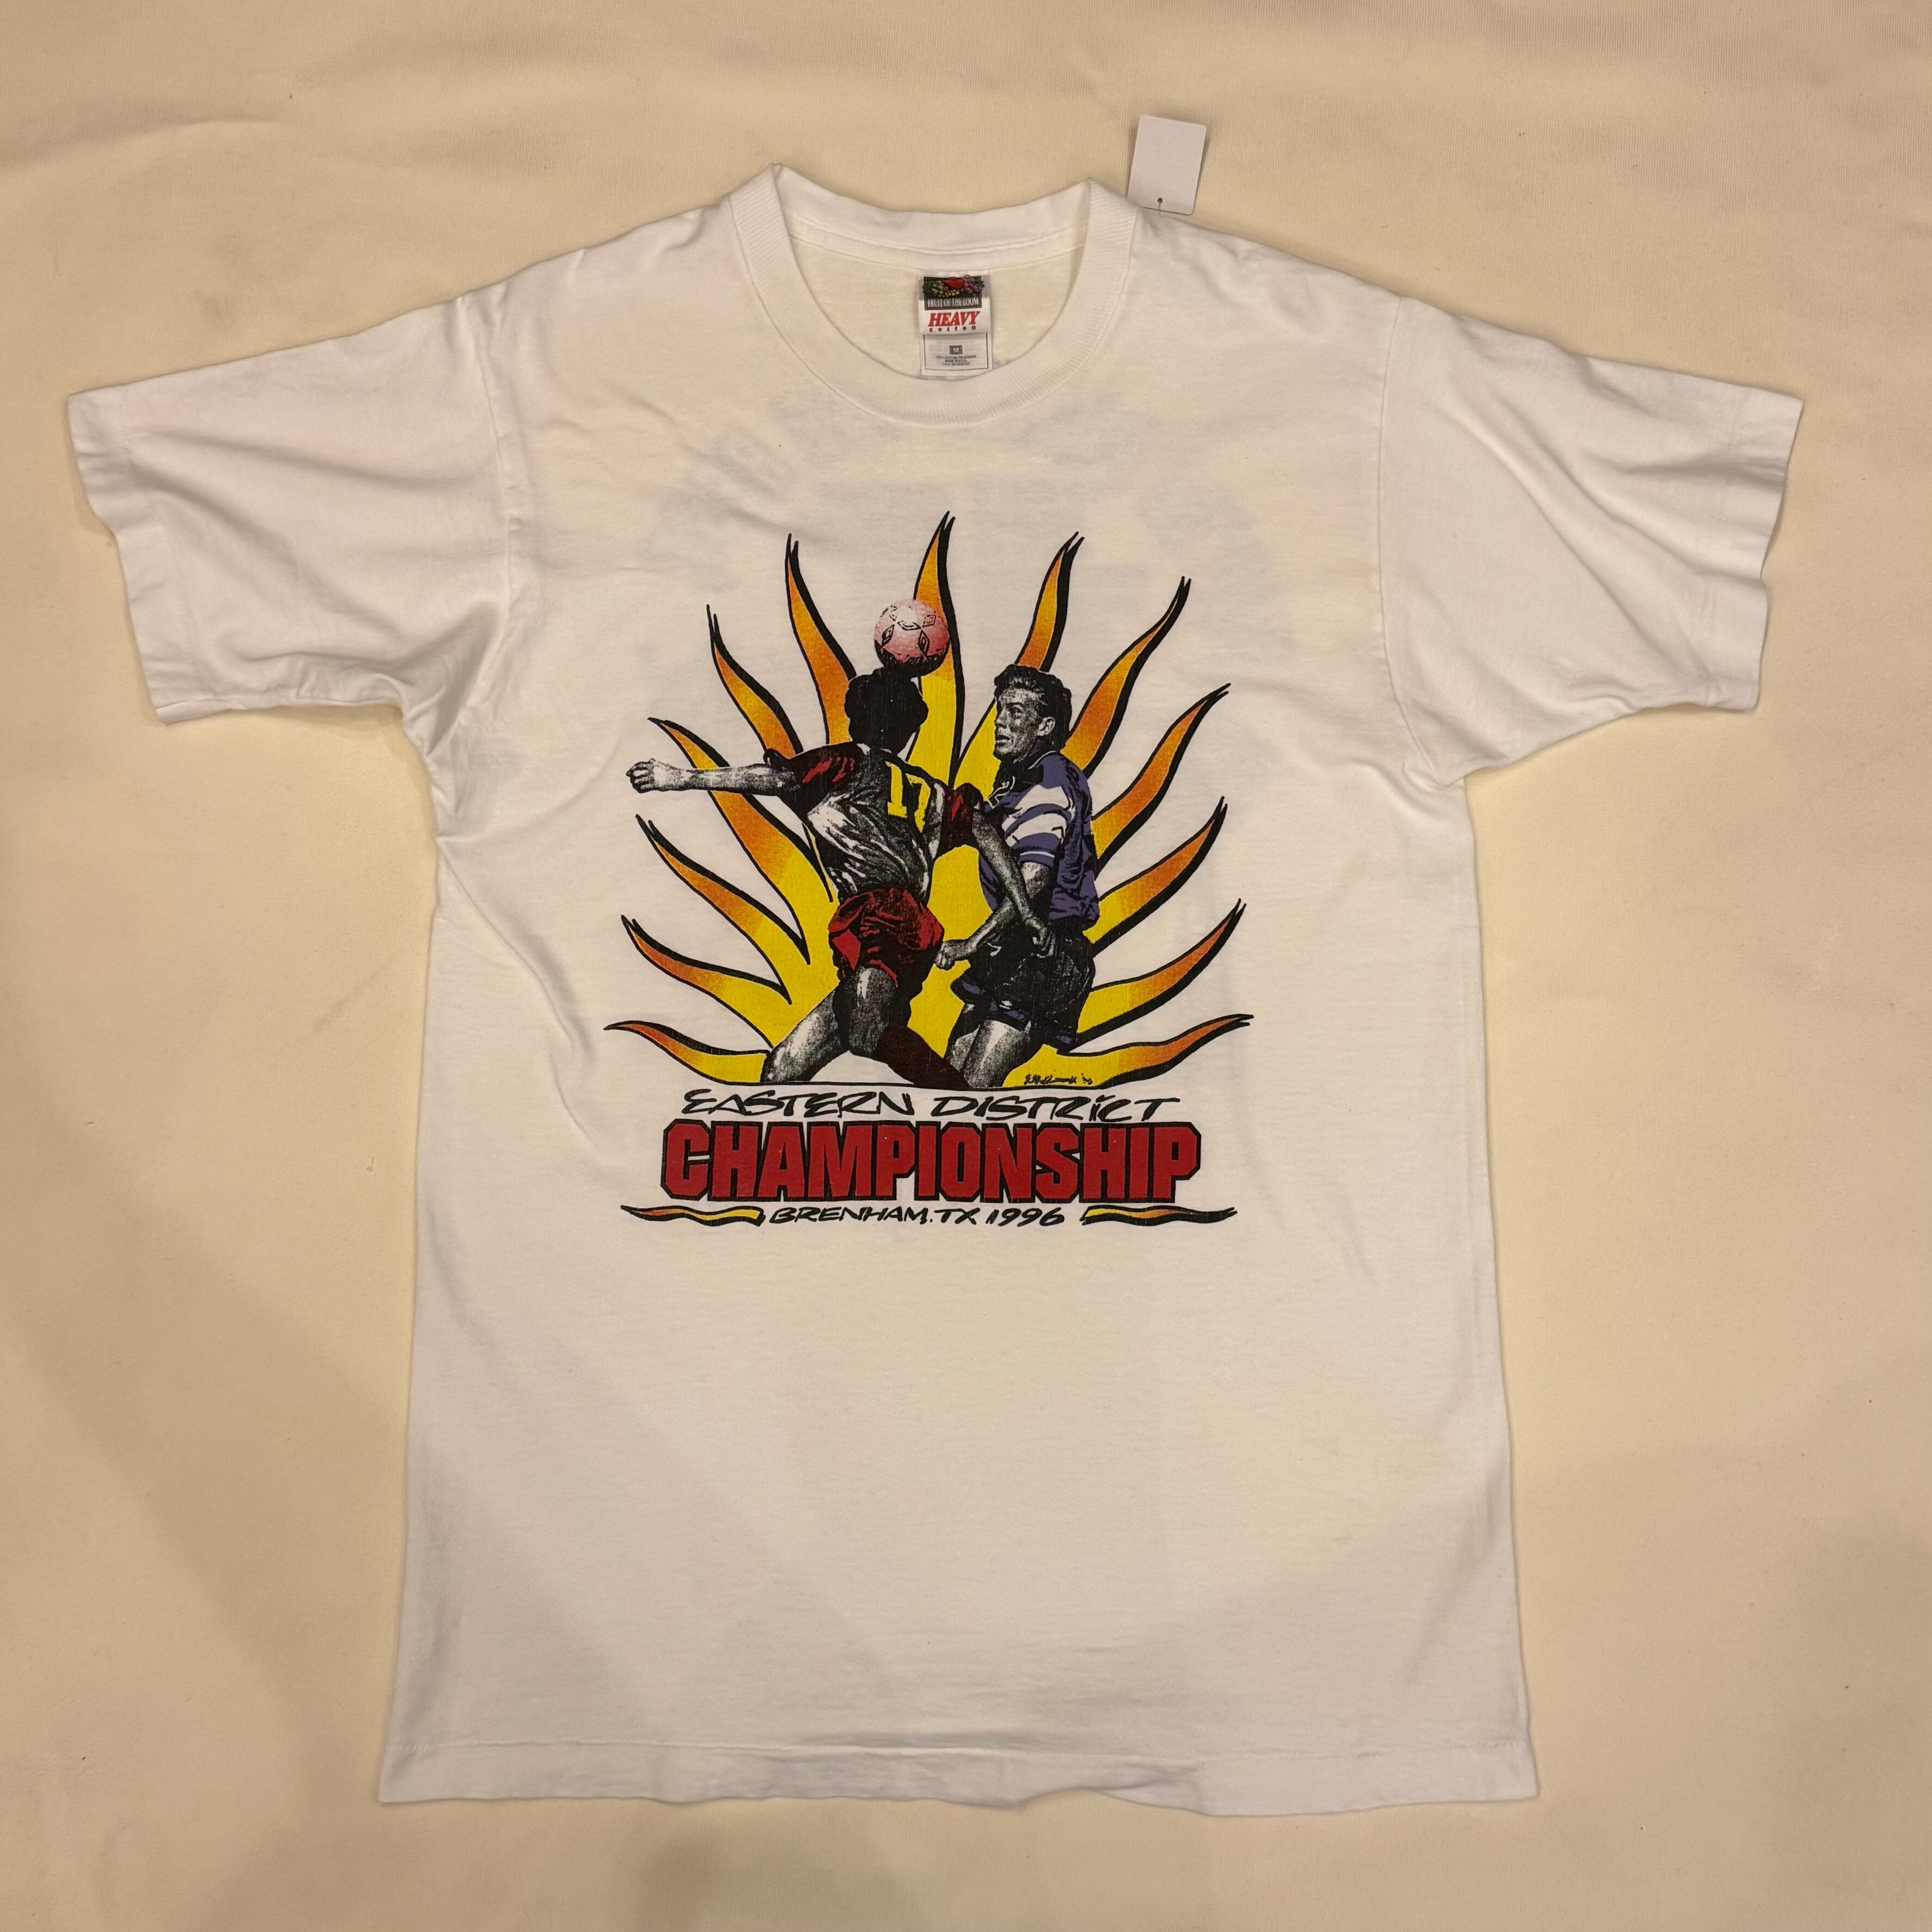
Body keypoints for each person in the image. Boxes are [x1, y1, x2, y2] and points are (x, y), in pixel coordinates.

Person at [628, 667, 1046, 1087]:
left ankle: (956, 1098)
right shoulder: (931, 790)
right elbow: (986, 833)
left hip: (886, 919)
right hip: (899, 925)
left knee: (867, 1028)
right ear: (907, 731)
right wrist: (1025, 910)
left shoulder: (846, 763)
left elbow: (773, 778)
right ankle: (946, 1091)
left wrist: (682, 778)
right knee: (783, 1069)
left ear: (856, 718)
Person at [937, 665, 1099, 1088]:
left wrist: (971, 943)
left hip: (1046, 957)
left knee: (970, 1096)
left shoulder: (1049, 780)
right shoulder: (1016, 777)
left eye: (1015, 712)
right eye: (1000, 710)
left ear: (1045, 726)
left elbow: (1034, 878)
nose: (1000, 722)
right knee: (947, 1086)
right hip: (1012, 950)